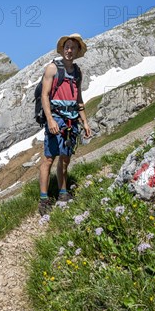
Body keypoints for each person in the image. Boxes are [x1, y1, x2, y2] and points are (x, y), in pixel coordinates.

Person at [39, 33, 92, 215]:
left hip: (72, 120)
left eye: (73, 48)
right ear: (62, 49)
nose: (69, 50)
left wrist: (84, 121)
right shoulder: (52, 69)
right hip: (56, 118)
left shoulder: (77, 72)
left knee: (65, 157)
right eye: (67, 47)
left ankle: (63, 192)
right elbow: (44, 96)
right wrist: (51, 120)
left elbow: (79, 99)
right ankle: (44, 199)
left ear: (78, 51)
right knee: (48, 158)